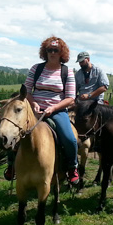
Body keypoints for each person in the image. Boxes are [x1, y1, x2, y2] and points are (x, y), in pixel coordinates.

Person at [24, 36, 80, 185]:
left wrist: (54, 108)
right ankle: (12, 164)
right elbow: (27, 91)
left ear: (62, 53)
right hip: (34, 109)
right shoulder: (36, 68)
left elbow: (70, 98)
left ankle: (72, 167)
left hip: (57, 110)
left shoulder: (67, 72)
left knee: (69, 138)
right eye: (49, 50)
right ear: (45, 51)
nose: (52, 53)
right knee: (14, 130)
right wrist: (34, 103)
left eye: (56, 50)